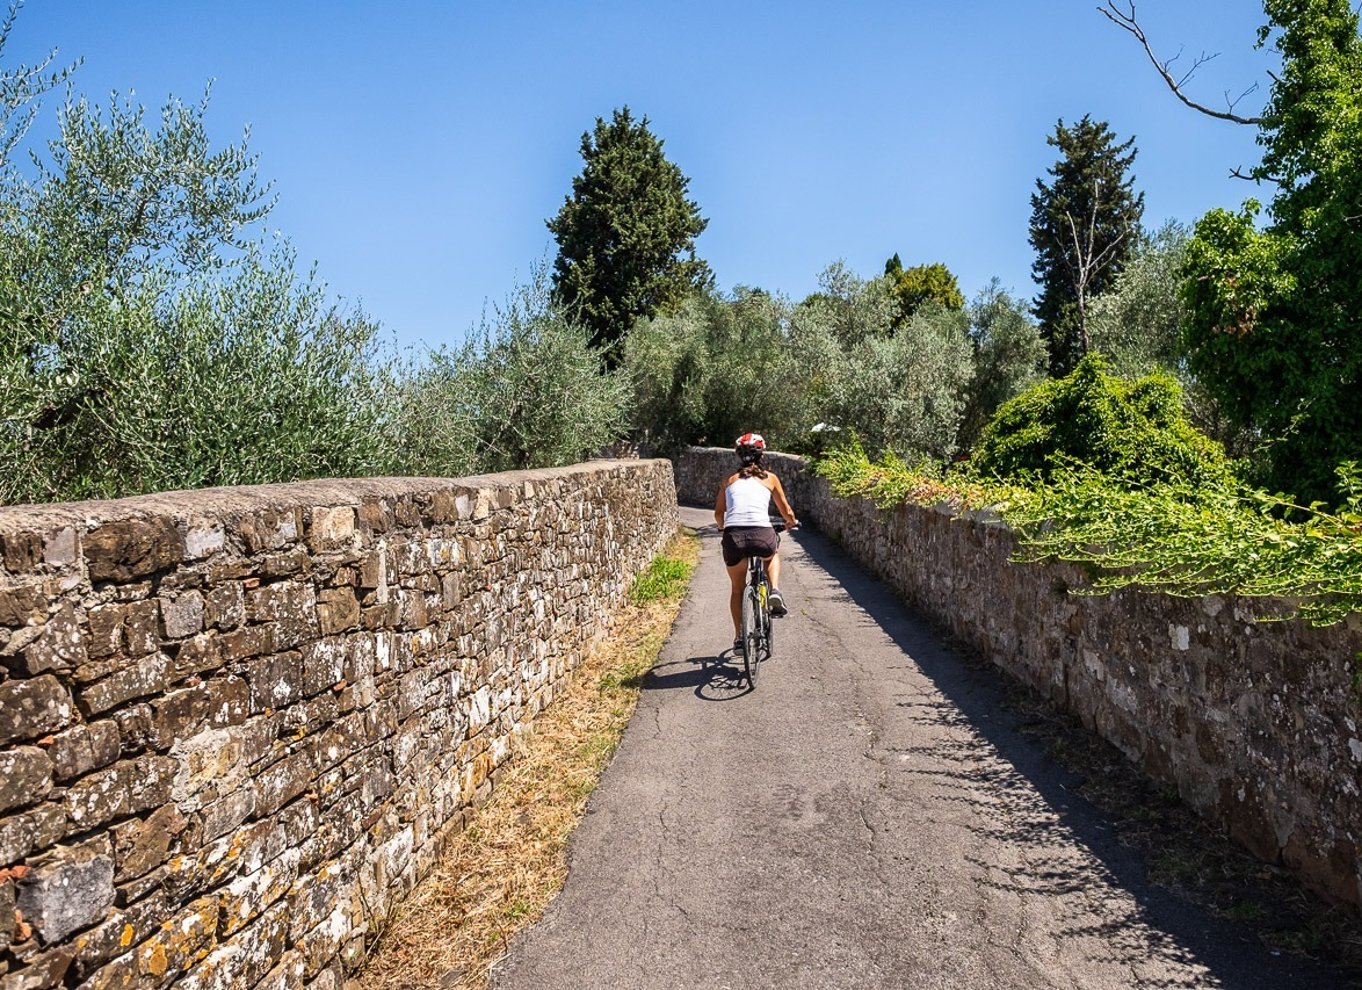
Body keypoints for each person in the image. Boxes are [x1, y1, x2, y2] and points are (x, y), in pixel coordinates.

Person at [714, 432, 799, 651]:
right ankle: (775, 590)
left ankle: (739, 638)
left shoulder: (728, 480)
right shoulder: (769, 478)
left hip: (733, 537)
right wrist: (790, 522)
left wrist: (723, 528)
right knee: (772, 554)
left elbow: (718, 514)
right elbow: (786, 511)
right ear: (761, 454)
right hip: (762, 533)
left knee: (736, 589)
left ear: (738, 456)